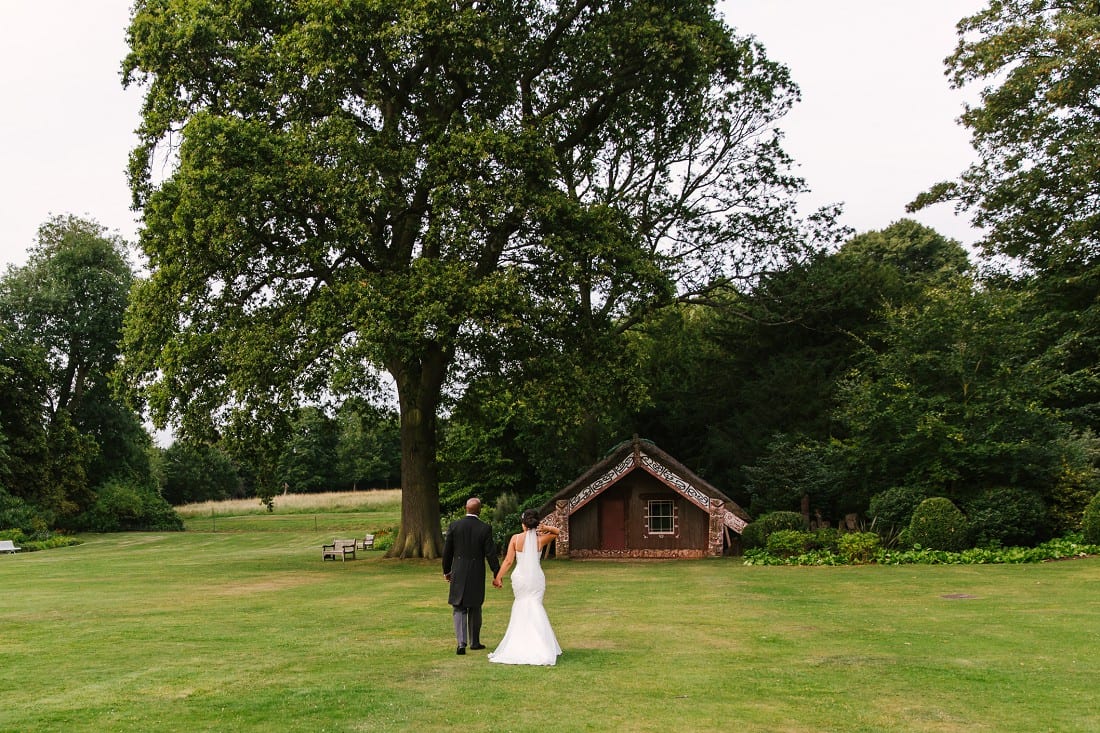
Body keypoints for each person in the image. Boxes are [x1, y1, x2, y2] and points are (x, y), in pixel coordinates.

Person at [488, 509, 562, 666]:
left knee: (521, 605)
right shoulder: (540, 540)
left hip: (520, 578)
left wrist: (498, 577)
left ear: (523, 524)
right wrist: (546, 528)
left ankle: (520, 643)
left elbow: (508, 561)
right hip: (535, 578)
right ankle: (541, 645)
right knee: (535, 605)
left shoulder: (515, 539)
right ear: (536, 523)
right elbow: (557, 532)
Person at [442, 497, 500, 656]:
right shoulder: (484, 528)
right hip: (476, 571)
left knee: (458, 606)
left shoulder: (455, 526)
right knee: (475, 606)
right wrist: (497, 573)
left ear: (466, 508)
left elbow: (447, 552)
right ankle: (474, 642)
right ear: (479, 510)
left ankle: (461, 643)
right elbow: (490, 553)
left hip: (459, 570)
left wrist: (447, 571)